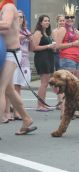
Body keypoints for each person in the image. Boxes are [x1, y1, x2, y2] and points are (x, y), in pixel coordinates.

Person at [0, 0, 37, 136]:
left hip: (11, 54)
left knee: (1, 89)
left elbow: (6, 25)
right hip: (5, 52)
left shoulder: (9, 7)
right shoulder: (4, 8)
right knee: (9, 90)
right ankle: (26, 119)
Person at [55, 3, 79, 118]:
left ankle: (74, 111)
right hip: (68, 58)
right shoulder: (62, 29)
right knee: (66, 86)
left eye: (72, 17)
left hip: (78, 58)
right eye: (67, 17)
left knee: (74, 87)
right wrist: (72, 43)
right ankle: (64, 112)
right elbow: (57, 46)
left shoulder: (75, 29)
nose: (69, 19)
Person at [12, 10, 35, 119]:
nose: (19, 19)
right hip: (14, 60)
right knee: (13, 87)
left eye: (21, 17)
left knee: (18, 87)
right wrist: (19, 37)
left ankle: (15, 110)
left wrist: (31, 39)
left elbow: (32, 49)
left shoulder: (26, 30)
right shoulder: (11, 29)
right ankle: (15, 111)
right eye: (17, 17)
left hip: (24, 60)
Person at [33, 15, 56, 111]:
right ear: (40, 22)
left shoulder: (46, 33)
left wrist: (53, 47)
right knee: (44, 83)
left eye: (48, 20)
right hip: (42, 58)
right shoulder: (38, 32)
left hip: (49, 57)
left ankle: (43, 104)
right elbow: (34, 48)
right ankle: (39, 105)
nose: (47, 22)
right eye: (45, 21)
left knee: (46, 83)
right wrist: (48, 46)